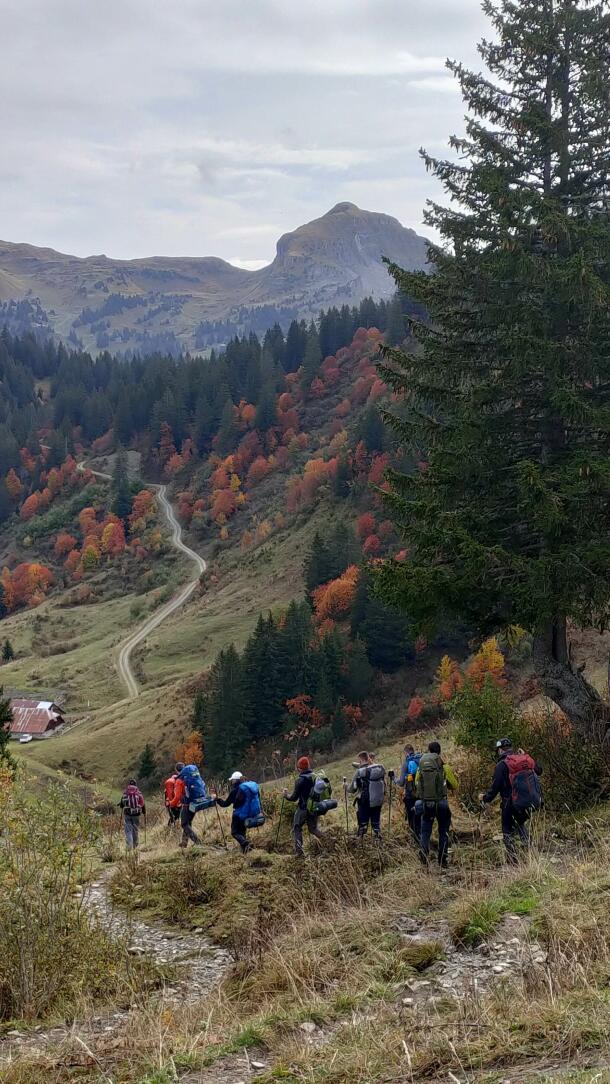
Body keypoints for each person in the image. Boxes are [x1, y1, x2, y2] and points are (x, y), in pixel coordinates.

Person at [481, 738, 542, 862]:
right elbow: (539, 771)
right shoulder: (523, 759)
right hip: (526, 801)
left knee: (507, 831)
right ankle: (532, 855)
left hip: (509, 803)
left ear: (499, 750)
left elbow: (495, 787)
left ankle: (513, 861)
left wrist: (485, 798)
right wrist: (527, 755)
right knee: (520, 825)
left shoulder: (501, 765)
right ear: (511, 748)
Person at [415, 741, 457, 868]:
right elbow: (455, 785)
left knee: (425, 831)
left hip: (426, 804)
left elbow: (417, 783)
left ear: (429, 751)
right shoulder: (445, 767)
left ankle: (424, 858)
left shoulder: (421, 767)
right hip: (442, 803)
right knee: (443, 831)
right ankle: (442, 860)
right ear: (439, 752)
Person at [283, 756, 323, 857]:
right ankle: (329, 840)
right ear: (308, 766)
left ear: (299, 768)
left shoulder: (300, 780)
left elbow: (293, 798)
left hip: (303, 808)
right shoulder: (315, 777)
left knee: (296, 828)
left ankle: (299, 853)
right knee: (313, 829)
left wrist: (286, 795)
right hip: (314, 807)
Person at [214, 770, 261, 854]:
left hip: (238, 814)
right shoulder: (248, 788)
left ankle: (246, 843)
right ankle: (245, 852)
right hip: (248, 814)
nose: (231, 782)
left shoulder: (235, 790)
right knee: (242, 833)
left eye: (232, 780)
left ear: (235, 780)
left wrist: (217, 799)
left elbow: (225, 804)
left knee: (234, 832)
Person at [349, 751, 386, 840]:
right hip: (378, 800)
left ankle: (360, 842)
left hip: (365, 801)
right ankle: (378, 841)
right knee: (376, 823)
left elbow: (352, 789)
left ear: (360, 760)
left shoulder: (360, 772)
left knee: (363, 823)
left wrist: (345, 786)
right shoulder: (377, 769)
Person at [177, 762, 207, 848]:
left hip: (187, 804)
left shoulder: (181, 779)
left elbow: (178, 795)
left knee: (184, 824)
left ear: (177, 771)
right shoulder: (193, 775)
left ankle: (198, 842)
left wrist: (172, 803)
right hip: (197, 801)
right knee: (188, 822)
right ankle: (184, 843)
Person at [397, 743, 422, 840]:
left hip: (410, 795)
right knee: (420, 817)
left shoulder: (406, 763)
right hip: (421, 794)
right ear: (413, 750)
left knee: (412, 818)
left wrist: (393, 778)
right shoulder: (421, 760)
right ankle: (422, 837)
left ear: (405, 752)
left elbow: (401, 783)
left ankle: (415, 838)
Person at [119, 778, 146, 851]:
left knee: (128, 830)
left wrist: (122, 806)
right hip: (136, 814)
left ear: (129, 785)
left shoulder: (125, 793)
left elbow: (122, 804)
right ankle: (135, 845)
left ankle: (129, 846)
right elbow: (142, 803)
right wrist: (144, 812)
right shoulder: (138, 793)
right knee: (135, 829)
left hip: (127, 814)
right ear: (135, 785)